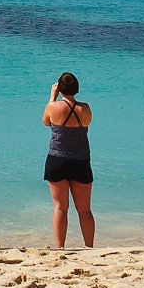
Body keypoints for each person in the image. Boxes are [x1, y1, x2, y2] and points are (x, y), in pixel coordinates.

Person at [42, 72, 95, 249]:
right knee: (84, 209)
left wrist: (52, 97)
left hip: (57, 160)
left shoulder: (53, 107)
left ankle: (60, 247)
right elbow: (88, 123)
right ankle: (89, 246)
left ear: (60, 88)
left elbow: (45, 122)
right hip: (81, 161)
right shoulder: (85, 108)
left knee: (60, 207)